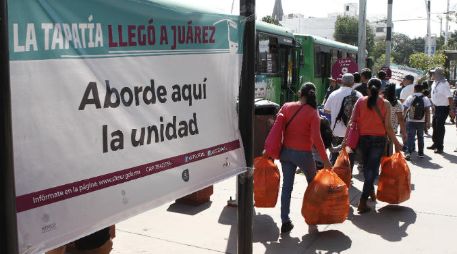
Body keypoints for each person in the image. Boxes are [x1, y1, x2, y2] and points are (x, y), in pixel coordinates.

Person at [275, 82, 331, 234]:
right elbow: (317, 138)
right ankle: (312, 216)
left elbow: (276, 126)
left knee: (287, 187)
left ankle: (285, 220)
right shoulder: (313, 113)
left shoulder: (286, 106)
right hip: (304, 155)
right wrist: (325, 160)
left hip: (286, 153)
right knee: (313, 186)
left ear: (300, 93)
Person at [344, 78, 402, 214]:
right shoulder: (386, 103)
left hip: (363, 140)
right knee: (372, 170)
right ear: (380, 89)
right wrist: (397, 142)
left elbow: (352, 122)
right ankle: (363, 201)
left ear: (368, 88)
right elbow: (387, 126)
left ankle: (369, 193)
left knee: (367, 168)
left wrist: (345, 141)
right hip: (379, 140)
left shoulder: (360, 101)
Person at [324, 73, 362, 165]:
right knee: (349, 156)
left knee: (334, 155)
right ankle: (348, 176)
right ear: (353, 83)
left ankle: (334, 176)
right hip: (351, 133)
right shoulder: (359, 95)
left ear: (341, 81)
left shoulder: (334, 94)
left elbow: (326, 110)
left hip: (335, 131)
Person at [427, 67, 456, 154]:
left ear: (437, 75)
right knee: (435, 126)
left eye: (433, 73)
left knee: (439, 127)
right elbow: (433, 95)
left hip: (443, 108)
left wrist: (451, 109)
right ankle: (435, 143)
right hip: (436, 107)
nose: (431, 75)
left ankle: (440, 147)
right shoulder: (435, 83)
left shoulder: (444, 84)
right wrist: (432, 104)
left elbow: (450, 97)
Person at [403, 84, 432, 160]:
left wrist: (402, 118)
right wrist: (428, 122)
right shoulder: (425, 98)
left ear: (414, 89)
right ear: (422, 90)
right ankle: (421, 153)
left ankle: (408, 152)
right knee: (420, 137)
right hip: (421, 121)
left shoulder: (410, 97)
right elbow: (428, 111)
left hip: (411, 120)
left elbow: (405, 108)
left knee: (410, 137)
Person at [384, 83, 407, 155]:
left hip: (381, 128)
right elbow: (400, 119)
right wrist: (404, 132)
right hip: (392, 129)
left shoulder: (382, 101)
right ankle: (394, 159)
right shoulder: (397, 103)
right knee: (390, 148)